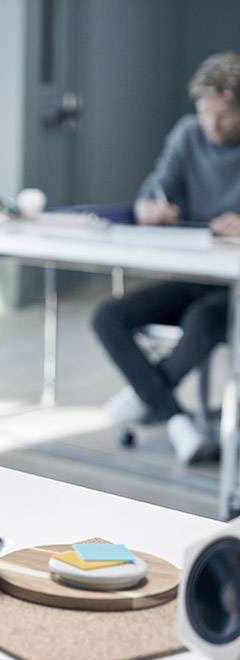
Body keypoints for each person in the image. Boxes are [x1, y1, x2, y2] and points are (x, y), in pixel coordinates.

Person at [92, 51, 240, 463]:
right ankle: (175, 419)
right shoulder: (187, 134)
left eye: (224, 116)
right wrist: (149, 210)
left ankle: (144, 402)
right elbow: (151, 192)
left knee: (204, 319)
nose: (212, 125)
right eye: (205, 113)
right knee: (108, 317)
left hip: (236, 290)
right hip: (195, 274)